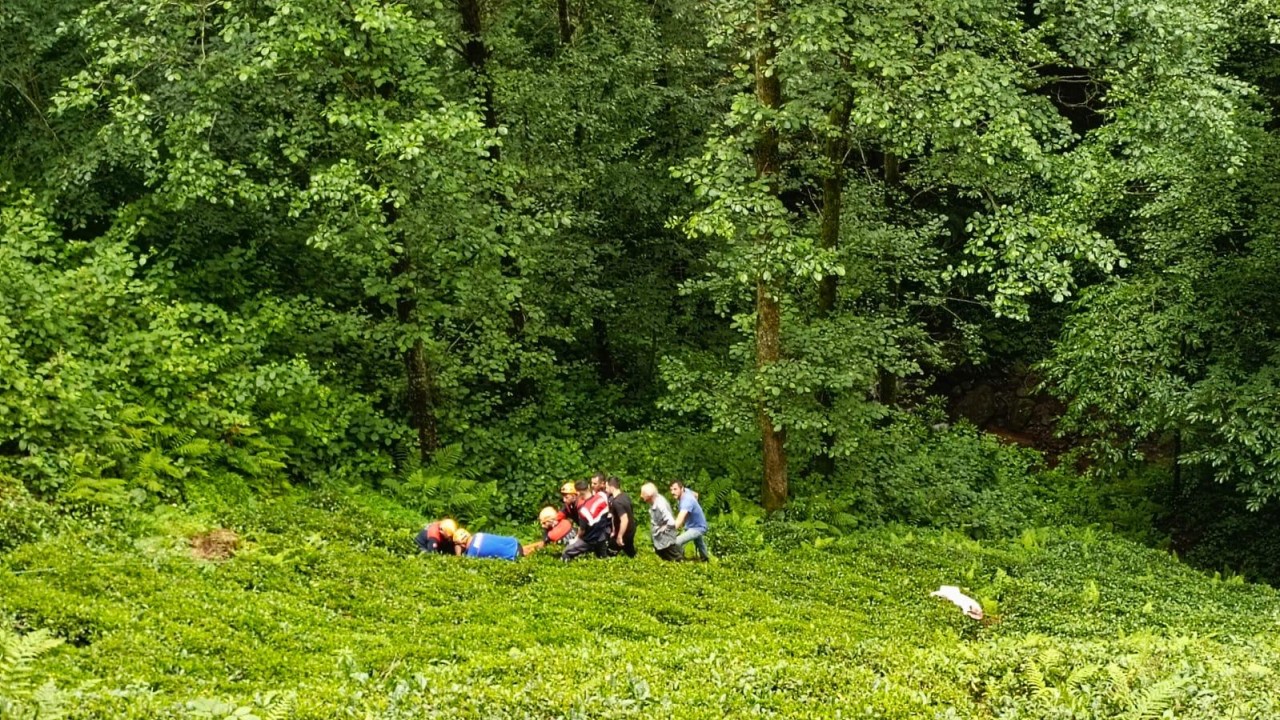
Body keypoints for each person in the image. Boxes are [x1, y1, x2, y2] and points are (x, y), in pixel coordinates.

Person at [560, 481, 612, 561]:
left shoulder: (583, 510)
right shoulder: (602, 497)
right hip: (602, 536)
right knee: (603, 559)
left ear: (578, 493)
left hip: (589, 540)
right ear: (588, 487)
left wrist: (575, 539)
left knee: (566, 552)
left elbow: (582, 531)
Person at [639, 483, 682, 561]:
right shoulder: (654, 501)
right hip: (660, 541)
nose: (641, 496)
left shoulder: (660, 504)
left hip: (666, 542)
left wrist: (663, 529)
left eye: (643, 493)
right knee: (664, 558)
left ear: (649, 495)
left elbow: (671, 522)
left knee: (675, 560)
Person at [671, 480, 710, 561]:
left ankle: (681, 560)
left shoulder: (686, 501)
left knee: (677, 542)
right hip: (692, 524)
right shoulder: (687, 491)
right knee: (699, 543)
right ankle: (705, 559)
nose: (672, 492)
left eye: (675, 489)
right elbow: (696, 494)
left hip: (698, 527)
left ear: (681, 489)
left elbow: (679, 520)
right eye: (671, 489)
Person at [605, 476, 637, 558]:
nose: (606, 490)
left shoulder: (617, 502)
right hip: (631, 531)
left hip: (623, 533)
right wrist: (613, 531)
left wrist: (619, 536)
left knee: (609, 554)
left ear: (612, 487)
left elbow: (624, 520)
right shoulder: (625, 496)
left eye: (607, 487)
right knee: (630, 552)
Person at [456, 529, 524, 561]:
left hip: (514, 556)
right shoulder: (478, 534)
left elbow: (463, 564)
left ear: (462, 545)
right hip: (515, 543)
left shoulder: (472, 553)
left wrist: (458, 554)